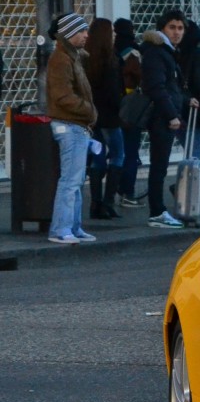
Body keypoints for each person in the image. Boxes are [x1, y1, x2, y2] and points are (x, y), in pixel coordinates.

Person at [140, 9, 196, 228]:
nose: (176, 32)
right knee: (159, 165)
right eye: (172, 27)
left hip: (166, 114)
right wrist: (172, 115)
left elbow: (170, 87)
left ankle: (158, 210)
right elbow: (157, 87)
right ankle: (157, 211)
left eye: (180, 28)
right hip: (161, 117)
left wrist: (185, 99)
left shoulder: (167, 51)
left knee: (160, 165)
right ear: (163, 28)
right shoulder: (157, 52)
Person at [45, 12, 97, 244]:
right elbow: (63, 95)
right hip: (70, 124)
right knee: (70, 181)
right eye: (81, 31)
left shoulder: (71, 57)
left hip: (75, 124)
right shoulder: (61, 59)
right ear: (68, 33)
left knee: (75, 180)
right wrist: (89, 110)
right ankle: (61, 228)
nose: (86, 35)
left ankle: (73, 227)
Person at [84, 18, 124, 220]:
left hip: (92, 116)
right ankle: (108, 203)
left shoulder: (86, 58)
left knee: (97, 158)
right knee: (118, 155)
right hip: (110, 116)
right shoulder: (110, 59)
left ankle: (95, 204)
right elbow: (113, 93)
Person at [113, 18, 145, 208]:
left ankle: (112, 192)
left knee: (117, 151)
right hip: (131, 106)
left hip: (113, 106)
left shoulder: (110, 50)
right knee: (131, 151)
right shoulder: (133, 52)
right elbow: (141, 77)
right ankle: (127, 192)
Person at [177, 18, 200, 159]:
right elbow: (198, 80)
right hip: (193, 107)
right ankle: (191, 180)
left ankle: (186, 179)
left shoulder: (175, 52)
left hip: (177, 106)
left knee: (189, 150)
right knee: (194, 154)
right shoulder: (195, 53)